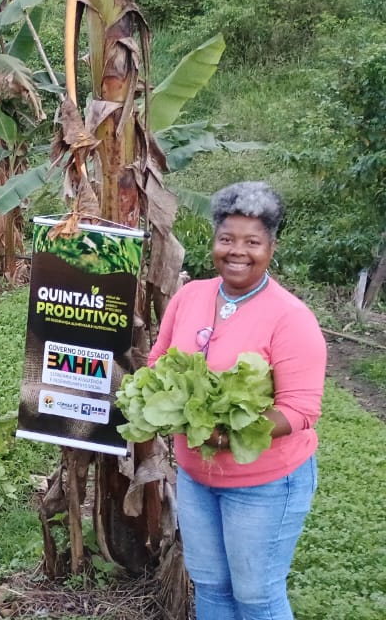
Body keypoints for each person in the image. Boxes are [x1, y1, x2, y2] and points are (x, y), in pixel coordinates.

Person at [148, 181, 324, 620]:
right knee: (210, 588)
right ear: (214, 241)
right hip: (196, 476)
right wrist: (162, 403)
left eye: (252, 241)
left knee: (257, 596)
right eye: (227, 239)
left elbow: (301, 409)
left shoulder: (290, 316)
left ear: (271, 246)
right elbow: (158, 363)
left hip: (263, 483)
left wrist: (232, 431)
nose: (237, 251)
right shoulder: (190, 296)